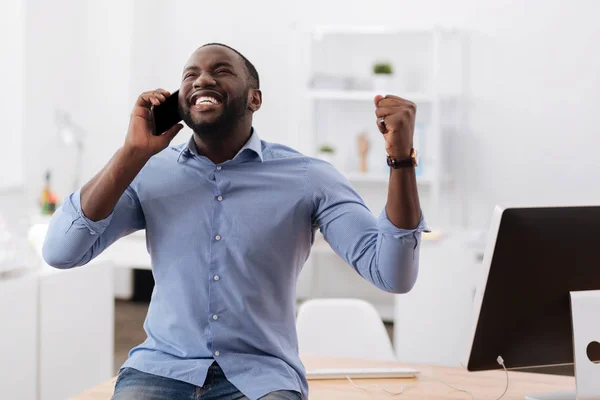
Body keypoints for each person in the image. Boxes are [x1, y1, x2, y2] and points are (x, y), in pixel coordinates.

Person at [42, 43, 428, 400]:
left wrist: (401, 160)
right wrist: (131, 153)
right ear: (180, 101)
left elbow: (392, 274)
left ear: (254, 98)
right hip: (160, 371)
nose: (203, 79)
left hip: (262, 378)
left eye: (221, 71)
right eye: (190, 75)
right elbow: (61, 252)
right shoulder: (147, 173)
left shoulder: (309, 177)